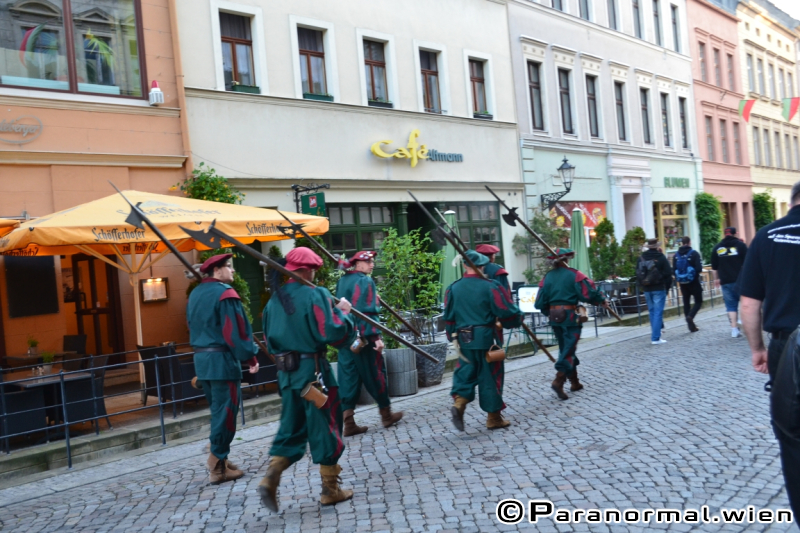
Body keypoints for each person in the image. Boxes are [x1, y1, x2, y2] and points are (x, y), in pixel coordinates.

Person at [257, 247, 357, 512]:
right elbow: (333, 334)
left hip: (287, 376)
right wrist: (345, 314)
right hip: (314, 375)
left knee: (292, 429)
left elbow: (269, 340)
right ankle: (330, 490)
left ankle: (272, 475)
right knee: (326, 427)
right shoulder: (316, 294)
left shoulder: (273, 301)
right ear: (310, 269)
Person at [740, 180, 800, 521]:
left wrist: (757, 348)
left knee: (793, 436)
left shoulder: (768, 235)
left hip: (788, 345)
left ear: (792, 201)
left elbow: (749, 304)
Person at [186, 253, 259, 484]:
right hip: (222, 362)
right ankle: (216, 464)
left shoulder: (195, 294)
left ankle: (222, 459)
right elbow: (235, 331)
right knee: (226, 414)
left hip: (202, 361)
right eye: (228, 267)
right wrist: (250, 357)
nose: (232, 271)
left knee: (219, 412)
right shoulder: (225, 294)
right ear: (217, 271)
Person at [445, 250, 524, 431]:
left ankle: (459, 404)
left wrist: (452, 336)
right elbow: (506, 311)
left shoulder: (453, 288)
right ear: (482, 266)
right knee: (491, 376)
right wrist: (517, 318)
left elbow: (448, 318)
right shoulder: (491, 286)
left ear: (465, 266)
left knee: (465, 372)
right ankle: (494, 418)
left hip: (464, 339)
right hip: (489, 339)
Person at [335, 250, 402, 437]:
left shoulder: (342, 281)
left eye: (372, 261)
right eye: (369, 262)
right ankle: (386, 414)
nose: (372, 265)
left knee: (348, 378)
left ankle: (348, 423)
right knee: (376, 374)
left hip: (346, 338)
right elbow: (367, 313)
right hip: (364, 338)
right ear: (358, 264)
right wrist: (376, 337)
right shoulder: (365, 281)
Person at [534, 248, 608, 400]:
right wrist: (601, 299)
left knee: (566, 348)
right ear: (566, 260)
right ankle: (559, 380)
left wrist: (550, 312)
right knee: (568, 349)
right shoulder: (575, 275)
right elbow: (588, 293)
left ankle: (574, 382)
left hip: (555, 318)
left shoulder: (547, 277)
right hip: (569, 317)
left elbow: (540, 302)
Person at [711, 227, 748, 338]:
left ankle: (734, 329)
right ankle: (741, 320)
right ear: (734, 233)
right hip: (740, 280)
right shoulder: (741, 246)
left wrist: (716, 279)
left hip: (725, 281)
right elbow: (749, 262)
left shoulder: (717, 248)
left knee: (730, 306)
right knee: (744, 302)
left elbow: (714, 267)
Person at [637, 238, 673, 345]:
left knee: (652, 312)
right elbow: (668, 273)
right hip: (658, 288)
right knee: (658, 313)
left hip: (647, 288)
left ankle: (655, 335)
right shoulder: (660, 257)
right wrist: (667, 288)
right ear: (657, 246)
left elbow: (637, 273)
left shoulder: (641, 258)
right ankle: (656, 338)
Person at [673, 236, 703, 333]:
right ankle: (691, 316)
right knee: (698, 301)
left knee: (686, 302)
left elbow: (673, 270)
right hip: (694, 282)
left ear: (682, 243)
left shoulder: (676, 256)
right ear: (689, 242)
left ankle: (691, 326)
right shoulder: (694, 254)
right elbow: (699, 268)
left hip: (682, 283)